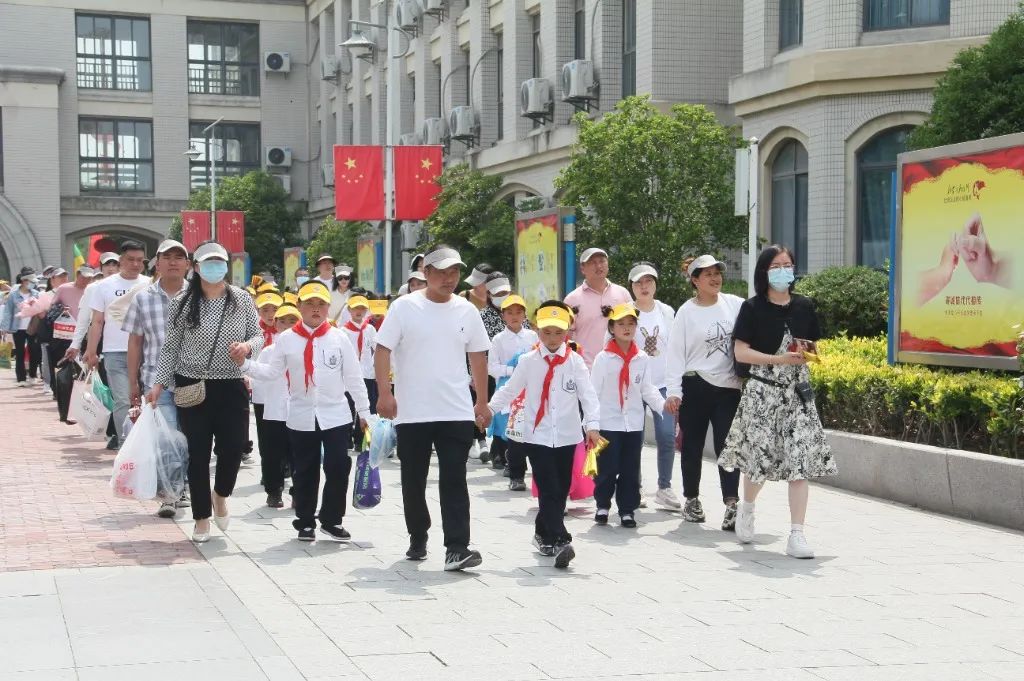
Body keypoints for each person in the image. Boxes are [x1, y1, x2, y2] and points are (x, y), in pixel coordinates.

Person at [374, 244, 492, 571]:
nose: (449, 278)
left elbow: (479, 356)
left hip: (455, 410)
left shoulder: (467, 310)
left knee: (455, 477)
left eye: (454, 272)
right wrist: (385, 393)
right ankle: (418, 534)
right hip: (413, 411)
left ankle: (457, 546)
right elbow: (382, 351)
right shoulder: (404, 308)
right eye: (441, 271)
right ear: (425, 273)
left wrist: (481, 402)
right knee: (414, 479)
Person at [719, 245, 837, 559]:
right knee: (758, 464)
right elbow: (740, 352)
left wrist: (808, 355)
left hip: (797, 395)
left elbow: (814, 345)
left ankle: (796, 534)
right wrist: (778, 359)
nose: (784, 270)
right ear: (764, 272)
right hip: (762, 392)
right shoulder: (753, 307)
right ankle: (747, 507)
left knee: (799, 466)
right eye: (777, 265)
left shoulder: (804, 306)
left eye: (788, 264)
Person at [148, 241, 264, 543]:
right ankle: (201, 517)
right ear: (196, 267)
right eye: (208, 262)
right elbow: (170, 346)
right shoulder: (183, 302)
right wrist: (160, 383)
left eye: (220, 262)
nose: (215, 267)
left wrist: (248, 347)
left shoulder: (241, 298)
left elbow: (258, 334)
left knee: (233, 448)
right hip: (191, 385)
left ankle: (220, 494)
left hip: (231, 384)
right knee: (197, 455)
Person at [241, 280, 369, 542]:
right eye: (309, 303)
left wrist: (365, 413)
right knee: (305, 468)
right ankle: (305, 520)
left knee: (337, 465)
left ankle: (332, 519)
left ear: (328, 308)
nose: (315, 309)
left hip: (336, 414)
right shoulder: (286, 339)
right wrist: (244, 364)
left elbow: (354, 378)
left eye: (321, 304)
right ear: (299, 306)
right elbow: (272, 372)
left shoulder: (339, 337)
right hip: (300, 414)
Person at [489, 300, 601, 568]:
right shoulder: (528, 362)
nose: (552, 339)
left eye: (558, 333)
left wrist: (592, 425)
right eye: (547, 332)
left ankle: (543, 535)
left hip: (567, 435)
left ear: (567, 333)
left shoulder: (575, 362)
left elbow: (588, 396)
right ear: (538, 331)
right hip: (536, 436)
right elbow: (510, 390)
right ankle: (562, 539)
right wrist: (488, 410)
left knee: (559, 490)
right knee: (548, 486)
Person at [663, 256, 745, 528]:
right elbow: (675, 354)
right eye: (707, 274)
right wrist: (674, 391)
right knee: (692, 445)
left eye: (717, 273)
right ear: (694, 280)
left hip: (728, 388)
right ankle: (691, 499)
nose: (714, 278)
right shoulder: (686, 312)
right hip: (695, 386)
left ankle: (732, 504)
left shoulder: (735, 304)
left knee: (728, 447)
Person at [123, 239, 191, 518]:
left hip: (194, 381)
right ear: (157, 263)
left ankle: (182, 485)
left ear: (187, 264)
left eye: (179, 257)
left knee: (190, 440)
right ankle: (170, 495)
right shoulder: (143, 298)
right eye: (167, 257)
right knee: (167, 440)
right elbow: (135, 342)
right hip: (156, 381)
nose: (173, 262)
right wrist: (133, 382)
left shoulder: (199, 296)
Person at [590, 303, 665, 528]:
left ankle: (627, 510)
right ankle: (602, 505)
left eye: (631, 323)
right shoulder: (603, 359)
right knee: (607, 467)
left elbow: (647, 389)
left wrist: (663, 407)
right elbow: (593, 392)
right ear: (611, 328)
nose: (626, 328)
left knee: (631, 468)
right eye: (620, 324)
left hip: (633, 423)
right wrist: (591, 424)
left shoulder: (641, 358)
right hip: (608, 422)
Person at [84, 240, 151, 447]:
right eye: (130, 260)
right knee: (123, 399)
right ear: (121, 260)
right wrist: (91, 351)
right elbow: (97, 321)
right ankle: (126, 444)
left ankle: (147, 443)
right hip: (115, 352)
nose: (135, 264)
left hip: (147, 351)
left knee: (149, 399)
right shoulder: (103, 287)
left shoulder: (151, 284)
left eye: (140, 260)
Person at [625, 262, 680, 510]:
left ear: (656, 284)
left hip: (664, 385)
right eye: (638, 282)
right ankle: (634, 487)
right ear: (632, 287)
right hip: (634, 386)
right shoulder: (624, 313)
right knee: (634, 438)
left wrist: (678, 385)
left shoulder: (667, 311)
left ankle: (664, 487)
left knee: (667, 435)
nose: (644, 286)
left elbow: (677, 348)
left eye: (648, 281)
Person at [487, 294, 538, 482]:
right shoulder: (498, 340)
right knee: (506, 424)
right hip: (507, 386)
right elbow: (492, 367)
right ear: (503, 316)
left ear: (525, 315)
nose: (514, 316)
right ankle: (510, 461)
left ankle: (523, 462)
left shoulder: (533, 336)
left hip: (530, 388)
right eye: (509, 312)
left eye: (519, 312)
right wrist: (513, 369)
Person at [563, 248, 632, 368]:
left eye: (602, 261)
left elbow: (633, 328)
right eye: (592, 263)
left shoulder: (622, 294)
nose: (598, 266)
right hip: (587, 368)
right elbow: (565, 337)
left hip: (620, 366)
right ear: (582, 269)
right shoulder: (572, 300)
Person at [251, 289, 288, 506]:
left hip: (290, 396)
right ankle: (271, 480)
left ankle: (285, 473)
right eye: (266, 309)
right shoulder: (255, 333)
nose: (271, 314)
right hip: (263, 394)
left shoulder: (290, 337)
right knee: (268, 440)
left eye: (275, 309)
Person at [1, 272, 41, 386]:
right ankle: (21, 378)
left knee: (34, 351)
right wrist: (4, 327)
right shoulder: (13, 295)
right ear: (24, 281)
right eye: (31, 282)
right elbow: (8, 312)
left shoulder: (36, 294)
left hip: (33, 327)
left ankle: (33, 374)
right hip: (18, 328)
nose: (33, 284)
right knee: (20, 352)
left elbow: (41, 310)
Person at [341, 295, 378, 415]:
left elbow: (377, 349)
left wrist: (376, 367)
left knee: (370, 405)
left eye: (362, 308)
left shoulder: (370, 329)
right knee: (351, 406)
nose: (359, 311)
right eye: (356, 308)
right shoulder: (343, 331)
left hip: (368, 373)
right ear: (349, 310)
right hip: (350, 376)